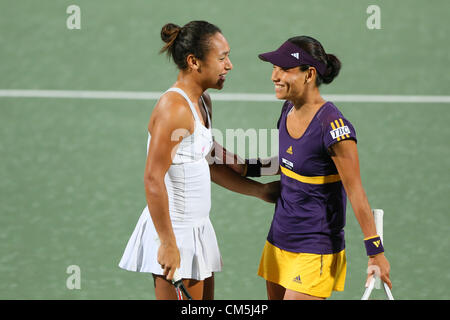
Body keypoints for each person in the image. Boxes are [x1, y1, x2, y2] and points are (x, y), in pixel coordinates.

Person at [118, 20, 279, 300]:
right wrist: (168, 244)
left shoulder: (202, 103)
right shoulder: (173, 110)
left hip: (198, 230)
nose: (229, 65)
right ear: (194, 62)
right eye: (222, 58)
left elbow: (210, 162)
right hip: (175, 231)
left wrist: (260, 189)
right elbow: (153, 179)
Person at [234, 36, 392, 300]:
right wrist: (243, 167)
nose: (274, 76)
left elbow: (355, 192)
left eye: (284, 69)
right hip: (279, 240)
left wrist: (375, 252)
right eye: (274, 68)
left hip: (315, 247)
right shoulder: (287, 110)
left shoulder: (334, 128)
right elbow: (292, 160)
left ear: (309, 74)